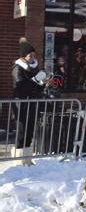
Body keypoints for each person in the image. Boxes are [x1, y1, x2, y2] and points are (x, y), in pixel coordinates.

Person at [11, 37, 48, 165]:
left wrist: (43, 82)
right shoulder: (18, 68)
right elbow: (20, 85)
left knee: (30, 129)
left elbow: (37, 87)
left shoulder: (34, 67)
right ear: (23, 56)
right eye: (29, 55)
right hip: (21, 103)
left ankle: (27, 158)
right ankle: (19, 158)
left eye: (33, 55)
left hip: (32, 103)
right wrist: (35, 81)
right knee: (21, 130)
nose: (32, 57)